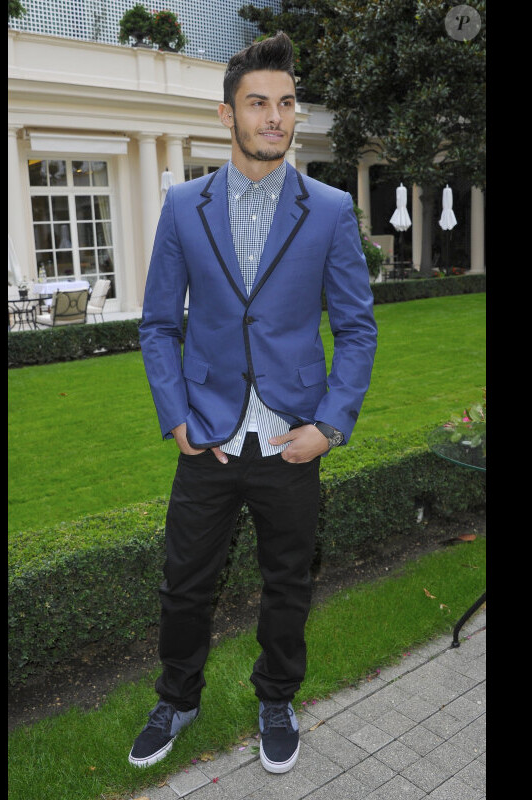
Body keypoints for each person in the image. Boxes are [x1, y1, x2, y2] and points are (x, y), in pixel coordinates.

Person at [132, 32, 378, 774]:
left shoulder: (330, 210)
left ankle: (277, 697)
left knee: (288, 583)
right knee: (184, 586)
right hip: (205, 435)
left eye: (286, 102)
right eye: (258, 103)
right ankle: (177, 698)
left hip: (290, 439)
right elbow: (157, 323)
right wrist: (175, 417)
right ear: (227, 114)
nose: (275, 116)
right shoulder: (182, 207)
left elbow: (358, 328)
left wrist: (330, 427)